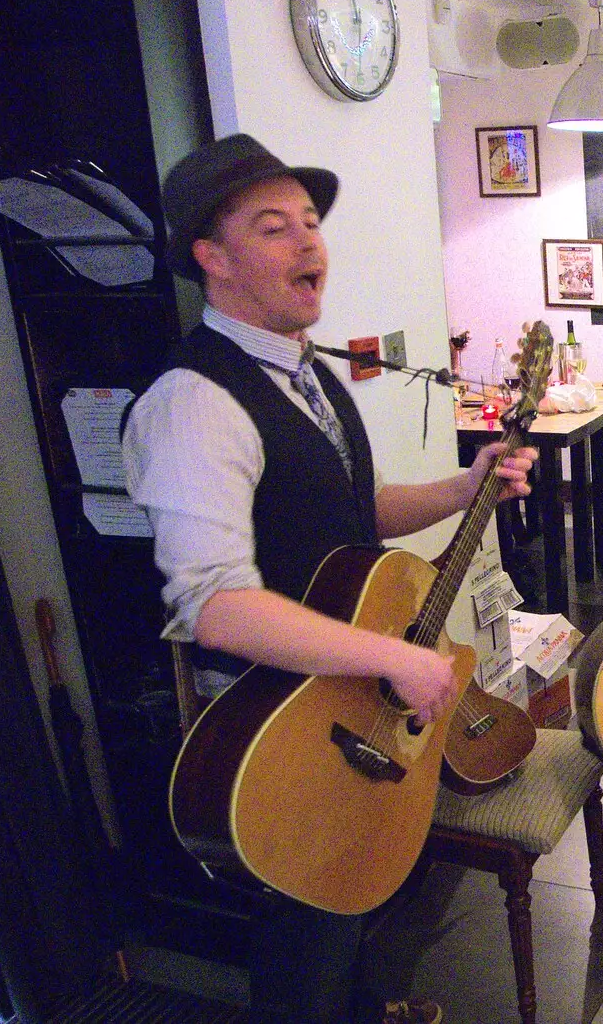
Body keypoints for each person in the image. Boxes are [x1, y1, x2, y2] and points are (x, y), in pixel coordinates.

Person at [122, 134, 538, 1024]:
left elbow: (357, 509)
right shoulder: (192, 403)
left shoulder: (308, 373)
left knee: (349, 897)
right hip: (274, 719)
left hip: (342, 693)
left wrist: (467, 486)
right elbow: (217, 605)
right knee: (302, 929)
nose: (309, 243)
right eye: (274, 228)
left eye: (311, 222)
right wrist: (397, 657)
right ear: (211, 257)